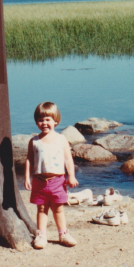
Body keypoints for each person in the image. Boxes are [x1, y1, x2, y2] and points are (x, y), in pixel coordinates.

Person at [24, 101, 79, 249]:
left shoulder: (61, 139)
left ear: (56, 121)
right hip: (39, 180)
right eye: (41, 120)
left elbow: (68, 159)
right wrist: (27, 177)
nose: (44, 123)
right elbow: (29, 159)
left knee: (58, 208)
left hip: (58, 180)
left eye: (48, 119)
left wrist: (71, 176)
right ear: (36, 122)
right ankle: (41, 235)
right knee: (41, 209)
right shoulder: (34, 141)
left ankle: (63, 234)